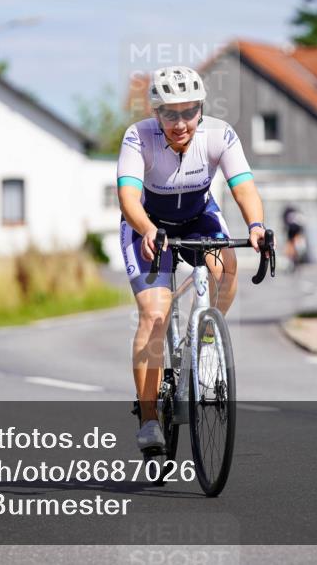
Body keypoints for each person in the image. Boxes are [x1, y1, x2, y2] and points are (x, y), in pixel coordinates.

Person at [116, 65, 270, 452]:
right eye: (170, 113)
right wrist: (148, 229)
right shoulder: (138, 137)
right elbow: (129, 197)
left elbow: (244, 186)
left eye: (188, 112)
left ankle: (206, 343)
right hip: (149, 225)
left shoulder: (219, 135)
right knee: (154, 316)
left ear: (201, 110)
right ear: (156, 113)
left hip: (199, 217)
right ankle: (150, 419)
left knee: (226, 267)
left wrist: (255, 225)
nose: (180, 122)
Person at [282, 204, 308, 271]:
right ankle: (292, 261)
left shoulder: (291, 216)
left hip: (294, 232)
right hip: (293, 232)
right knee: (291, 248)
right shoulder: (295, 216)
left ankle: (293, 261)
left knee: (293, 248)